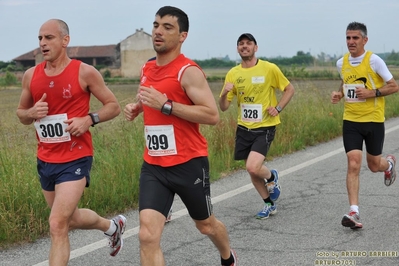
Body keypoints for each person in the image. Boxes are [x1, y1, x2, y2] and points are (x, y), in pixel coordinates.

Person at [124, 6, 237, 266]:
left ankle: (228, 257)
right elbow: (150, 96)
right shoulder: (147, 67)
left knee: (206, 226)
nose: (158, 32)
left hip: (188, 163)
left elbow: (212, 115)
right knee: (147, 235)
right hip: (154, 165)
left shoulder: (188, 71)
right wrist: (137, 107)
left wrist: (167, 105)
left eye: (167, 27)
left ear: (182, 36)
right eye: (155, 25)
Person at [16, 19, 126, 265]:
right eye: (40, 39)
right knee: (70, 218)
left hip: (76, 156)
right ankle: (112, 226)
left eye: (49, 38)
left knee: (57, 224)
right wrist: (32, 113)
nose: (43, 43)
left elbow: (114, 106)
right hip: (46, 158)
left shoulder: (84, 71)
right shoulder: (30, 75)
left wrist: (89, 119)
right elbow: (21, 114)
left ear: (65, 40)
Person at [219, 33, 295, 220]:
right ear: (237, 48)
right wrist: (224, 94)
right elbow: (224, 107)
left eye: (248, 43)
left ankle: (271, 177)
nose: (245, 46)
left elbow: (289, 89)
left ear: (255, 47)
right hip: (244, 128)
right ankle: (269, 204)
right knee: (251, 169)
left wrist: (278, 108)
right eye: (241, 44)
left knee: (253, 167)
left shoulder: (269, 68)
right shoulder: (233, 73)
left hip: (265, 127)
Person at [331, 21, 398, 229]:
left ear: (365, 40)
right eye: (348, 38)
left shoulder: (374, 61)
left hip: (373, 120)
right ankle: (353, 212)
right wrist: (339, 93)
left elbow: (394, 85)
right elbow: (345, 81)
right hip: (351, 120)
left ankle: (389, 164)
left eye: (355, 38)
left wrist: (372, 93)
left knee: (373, 165)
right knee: (353, 163)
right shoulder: (341, 63)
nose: (351, 42)